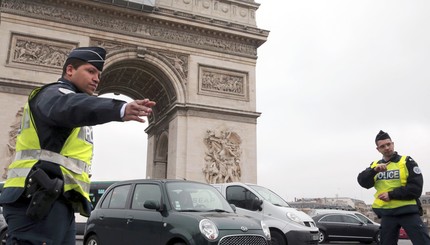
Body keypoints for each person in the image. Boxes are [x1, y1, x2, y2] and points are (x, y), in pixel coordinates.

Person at [0, 46, 156, 244]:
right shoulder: (53, 95)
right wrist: (120, 109)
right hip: (35, 199)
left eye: (99, 74)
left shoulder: (73, 101)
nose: (97, 78)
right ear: (70, 70)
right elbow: (72, 106)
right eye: (91, 71)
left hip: (58, 200)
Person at [357, 130, 430, 245]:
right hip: (388, 214)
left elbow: (416, 189)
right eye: (382, 146)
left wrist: (391, 195)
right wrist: (373, 171)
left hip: (408, 212)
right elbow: (363, 182)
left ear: (393, 144)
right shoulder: (375, 165)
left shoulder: (406, 162)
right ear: (378, 149)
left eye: (388, 144)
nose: (386, 148)